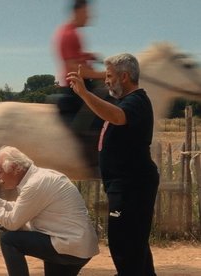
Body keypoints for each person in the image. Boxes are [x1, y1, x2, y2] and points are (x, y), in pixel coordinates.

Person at [67, 53, 159, 276]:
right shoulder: (127, 101)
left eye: (109, 76)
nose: (106, 81)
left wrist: (85, 94)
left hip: (131, 186)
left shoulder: (136, 101)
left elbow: (118, 117)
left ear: (124, 76)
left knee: (124, 246)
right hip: (127, 186)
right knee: (134, 246)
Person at [0, 145, 99, 276]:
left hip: (68, 245)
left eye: (0, 172)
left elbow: (12, 222)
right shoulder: (39, 178)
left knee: (9, 240)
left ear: (15, 168)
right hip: (74, 245)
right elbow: (17, 210)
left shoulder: (36, 183)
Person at [52, 0, 108, 133]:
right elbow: (75, 69)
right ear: (78, 11)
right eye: (87, 12)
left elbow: (76, 58)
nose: (89, 16)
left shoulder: (69, 31)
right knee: (103, 116)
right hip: (77, 88)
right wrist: (105, 75)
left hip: (80, 84)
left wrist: (91, 56)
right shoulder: (69, 34)